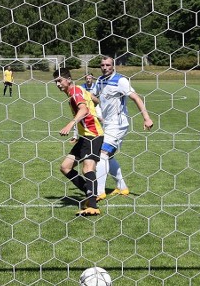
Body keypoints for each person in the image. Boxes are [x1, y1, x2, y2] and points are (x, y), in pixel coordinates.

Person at [91, 56, 154, 199]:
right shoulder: (100, 80)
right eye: (102, 65)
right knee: (109, 156)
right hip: (106, 123)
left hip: (118, 124)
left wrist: (146, 118)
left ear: (113, 66)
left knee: (102, 154)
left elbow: (136, 97)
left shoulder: (120, 80)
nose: (105, 67)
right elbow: (94, 97)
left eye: (108, 65)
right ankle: (122, 187)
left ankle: (99, 191)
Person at [53, 68, 104, 217]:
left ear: (68, 79)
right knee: (65, 167)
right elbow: (94, 100)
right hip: (84, 136)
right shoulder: (79, 90)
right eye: (55, 81)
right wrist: (97, 111)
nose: (57, 84)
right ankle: (91, 193)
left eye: (60, 80)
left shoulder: (75, 91)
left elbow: (84, 109)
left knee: (88, 167)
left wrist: (71, 124)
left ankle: (93, 207)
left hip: (93, 135)